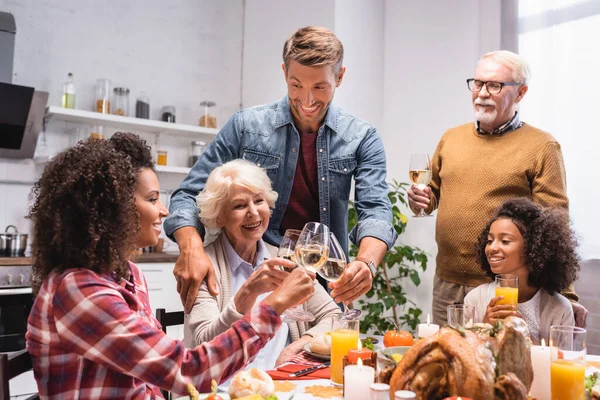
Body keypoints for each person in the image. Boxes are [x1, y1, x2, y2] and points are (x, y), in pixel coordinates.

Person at [25, 133, 316, 398]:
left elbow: (154, 377)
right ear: (114, 208)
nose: (164, 211)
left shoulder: (128, 274)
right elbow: (190, 372)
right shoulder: (79, 291)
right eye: (153, 199)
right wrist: (274, 306)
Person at [165, 26, 397, 313]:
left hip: (323, 286)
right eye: (296, 85)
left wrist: (366, 262)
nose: (307, 101)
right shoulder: (245, 126)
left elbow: (375, 211)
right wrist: (190, 248)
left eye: (319, 87)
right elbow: (187, 195)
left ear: (339, 76)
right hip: (256, 280)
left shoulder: (362, 137)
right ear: (284, 71)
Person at [407, 50, 587, 326]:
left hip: (502, 286)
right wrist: (420, 199)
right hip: (447, 282)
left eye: (495, 85)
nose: (482, 93)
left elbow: (556, 224)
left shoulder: (542, 146)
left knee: (497, 363)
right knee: (448, 362)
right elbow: (431, 194)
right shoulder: (451, 138)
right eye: (478, 83)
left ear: (521, 93)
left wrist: (567, 295)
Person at [183, 159, 342, 368]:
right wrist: (249, 292)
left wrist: (296, 348)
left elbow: (335, 317)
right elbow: (204, 347)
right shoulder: (204, 265)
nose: (254, 212)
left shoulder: (285, 258)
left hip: (281, 385)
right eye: (239, 205)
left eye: (258, 201)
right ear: (219, 216)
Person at [464, 198, 579, 344]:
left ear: (533, 247)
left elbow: (560, 362)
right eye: (489, 240)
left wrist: (524, 335)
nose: (492, 248)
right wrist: (485, 327)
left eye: (505, 241)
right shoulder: (475, 300)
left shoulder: (559, 309)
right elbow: (464, 357)